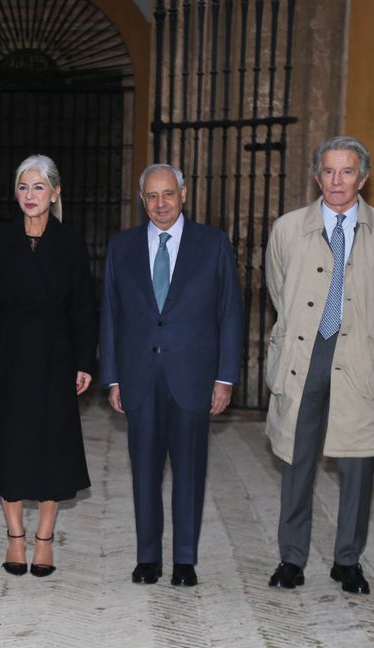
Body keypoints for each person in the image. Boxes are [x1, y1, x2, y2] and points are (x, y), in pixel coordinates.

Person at [265, 136, 374, 595]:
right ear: (317, 177)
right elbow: (278, 290)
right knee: (298, 460)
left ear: (362, 178)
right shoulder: (288, 229)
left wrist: (370, 332)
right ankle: (292, 559)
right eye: (328, 171)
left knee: (358, 465)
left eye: (347, 171)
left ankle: (347, 561)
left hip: (361, 362)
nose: (337, 180)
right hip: (305, 357)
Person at [100, 163, 243, 587]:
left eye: (168, 194)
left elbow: (230, 313)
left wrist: (225, 377)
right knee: (144, 472)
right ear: (142, 200)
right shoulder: (122, 247)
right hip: (139, 378)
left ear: (183, 195)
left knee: (190, 472)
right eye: (152, 196)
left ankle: (184, 560)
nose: (160, 203)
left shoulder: (212, 244)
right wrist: (112, 377)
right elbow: (110, 314)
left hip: (193, 378)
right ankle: (148, 558)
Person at [0, 154, 95, 577]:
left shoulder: (71, 242)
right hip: (7, 357)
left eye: (39, 187)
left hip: (56, 359)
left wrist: (84, 361)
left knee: (52, 448)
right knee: (11, 449)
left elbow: (84, 308)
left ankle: (44, 541)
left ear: (55, 193)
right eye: (23, 187)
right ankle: (15, 538)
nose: (30, 195)